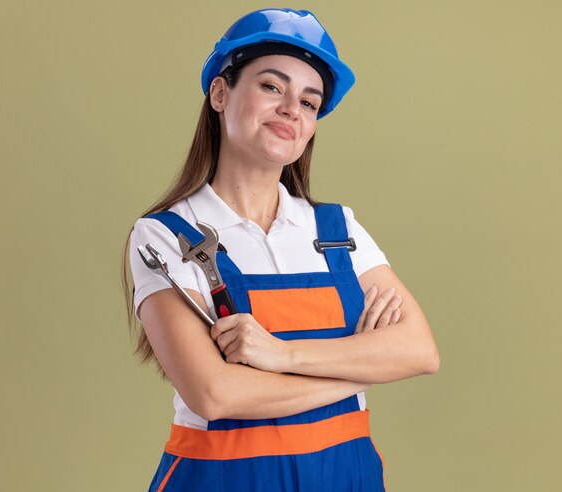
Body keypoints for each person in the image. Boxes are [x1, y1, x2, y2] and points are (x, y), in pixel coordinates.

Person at [122, 8, 439, 492]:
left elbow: (419, 351)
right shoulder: (167, 235)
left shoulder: (338, 230)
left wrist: (279, 354)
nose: (293, 109)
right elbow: (215, 393)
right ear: (220, 92)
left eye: (310, 102)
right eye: (272, 86)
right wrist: (358, 370)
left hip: (347, 477)